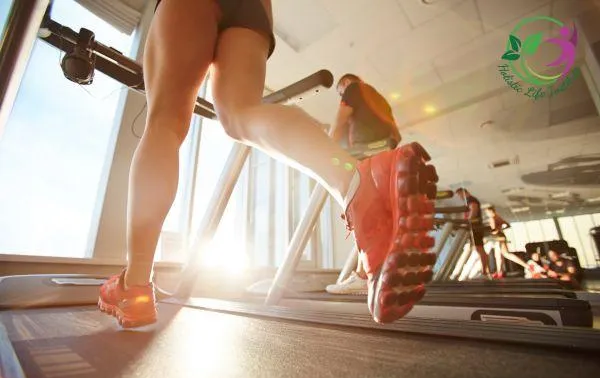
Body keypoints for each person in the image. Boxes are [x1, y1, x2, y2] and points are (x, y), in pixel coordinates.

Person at [98, 0, 434, 327]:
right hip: (256, 8)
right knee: (241, 114)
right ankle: (355, 186)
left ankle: (135, 284)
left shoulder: (354, 93)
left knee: (164, 124)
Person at [326, 74, 401, 296]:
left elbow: (340, 121)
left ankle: (362, 275)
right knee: (377, 214)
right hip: (387, 153)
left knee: (362, 211)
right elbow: (394, 133)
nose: (341, 93)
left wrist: (327, 151)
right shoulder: (378, 97)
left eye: (340, 89)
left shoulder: (353, 89)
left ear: (345, 83)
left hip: (367, 151)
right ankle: (376, 271)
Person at [485, 206, 530, 277]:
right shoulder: (498, 217)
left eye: (487, 212)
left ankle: (500, 272)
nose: (486, 214)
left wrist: (491, 233)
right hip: (501, 235)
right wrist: (501, 229)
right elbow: (508, 225)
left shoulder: (492, 218)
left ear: (490, 211)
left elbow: (493, 230)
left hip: (497, 237)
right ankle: (500, 271)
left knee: (500, 255)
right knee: (504, 254)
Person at [455, 188, 490, 278]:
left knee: (479, 249)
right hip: (474, 227)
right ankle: (485, 272)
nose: (460, 197)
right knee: (478, 249)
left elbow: (473, 210)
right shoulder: (469, 200)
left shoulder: (471, 199)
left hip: (475, 227)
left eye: (460, 195)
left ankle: (484, 272)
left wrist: (468, 222)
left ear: (464, 193)